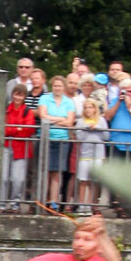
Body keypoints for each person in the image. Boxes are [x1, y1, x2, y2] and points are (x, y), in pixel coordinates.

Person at [38, 75, 75, 208]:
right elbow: (43, 116)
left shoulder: (69, 102)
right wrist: (61, 119)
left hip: (62, 139)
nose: (57, 88)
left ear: (63, 87)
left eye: (59, 86)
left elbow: (70, 122)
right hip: (47, 138)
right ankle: (43, 199)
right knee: (46, 171)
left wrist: (52, 119)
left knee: (57, 172)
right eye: (55, 85)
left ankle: (53, 200)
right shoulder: (45, 98)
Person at [2, 84, 36, 212]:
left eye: (20, 95)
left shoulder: (27, 111)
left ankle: (15, 204)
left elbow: (29, 130)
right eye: (16, 94)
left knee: (18, 179)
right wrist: (18, 128)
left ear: (24, 97)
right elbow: (3, 129)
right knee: (4, 178)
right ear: (12, 95)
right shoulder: (6, 109)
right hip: (6, 146)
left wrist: (12, 129)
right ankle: (2, 204)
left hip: (21, 148)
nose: (17, 97)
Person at [74, 99, 108, 216]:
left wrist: (97, 127)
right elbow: (79, 137)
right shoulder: (80, 121)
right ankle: (82, 205)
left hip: (98, 154)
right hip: (85, 155)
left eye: (90, 107)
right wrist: (86, 128)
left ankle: (93, 205)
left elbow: (106, 136)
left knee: (95, 181)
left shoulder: (101, 120)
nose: (88, 110)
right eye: (86, 107)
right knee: (83, 180)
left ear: (94, 108)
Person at [104, 78, 131, 158]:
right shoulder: (115, 101)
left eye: (130, 91)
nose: (128, 94)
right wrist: (118, 102)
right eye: (125, 92)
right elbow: (108, 117)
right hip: (115, 144)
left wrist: (129, 107)